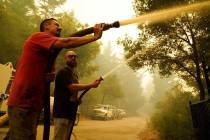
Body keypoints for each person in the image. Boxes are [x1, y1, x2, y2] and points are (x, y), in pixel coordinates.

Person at [7, 18, 105, 140]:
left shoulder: (49, 55)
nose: (60, 28)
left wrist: (49, 76)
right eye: (56, 25)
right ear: (46, 26)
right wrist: (95, 37)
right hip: (23, 101)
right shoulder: (38, 37)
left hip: (33, 103)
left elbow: (48, 77)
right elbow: (67, 42)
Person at [53, 51, 102, 140]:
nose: (73, 58)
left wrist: (76, 100)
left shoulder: (74, 75)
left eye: (75, 56)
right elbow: (72, 87)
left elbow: (72, 92)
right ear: (66, 58)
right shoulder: (63, 72)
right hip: (61, 113)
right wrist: (91, 85)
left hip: (70, 113)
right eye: (70, 56)